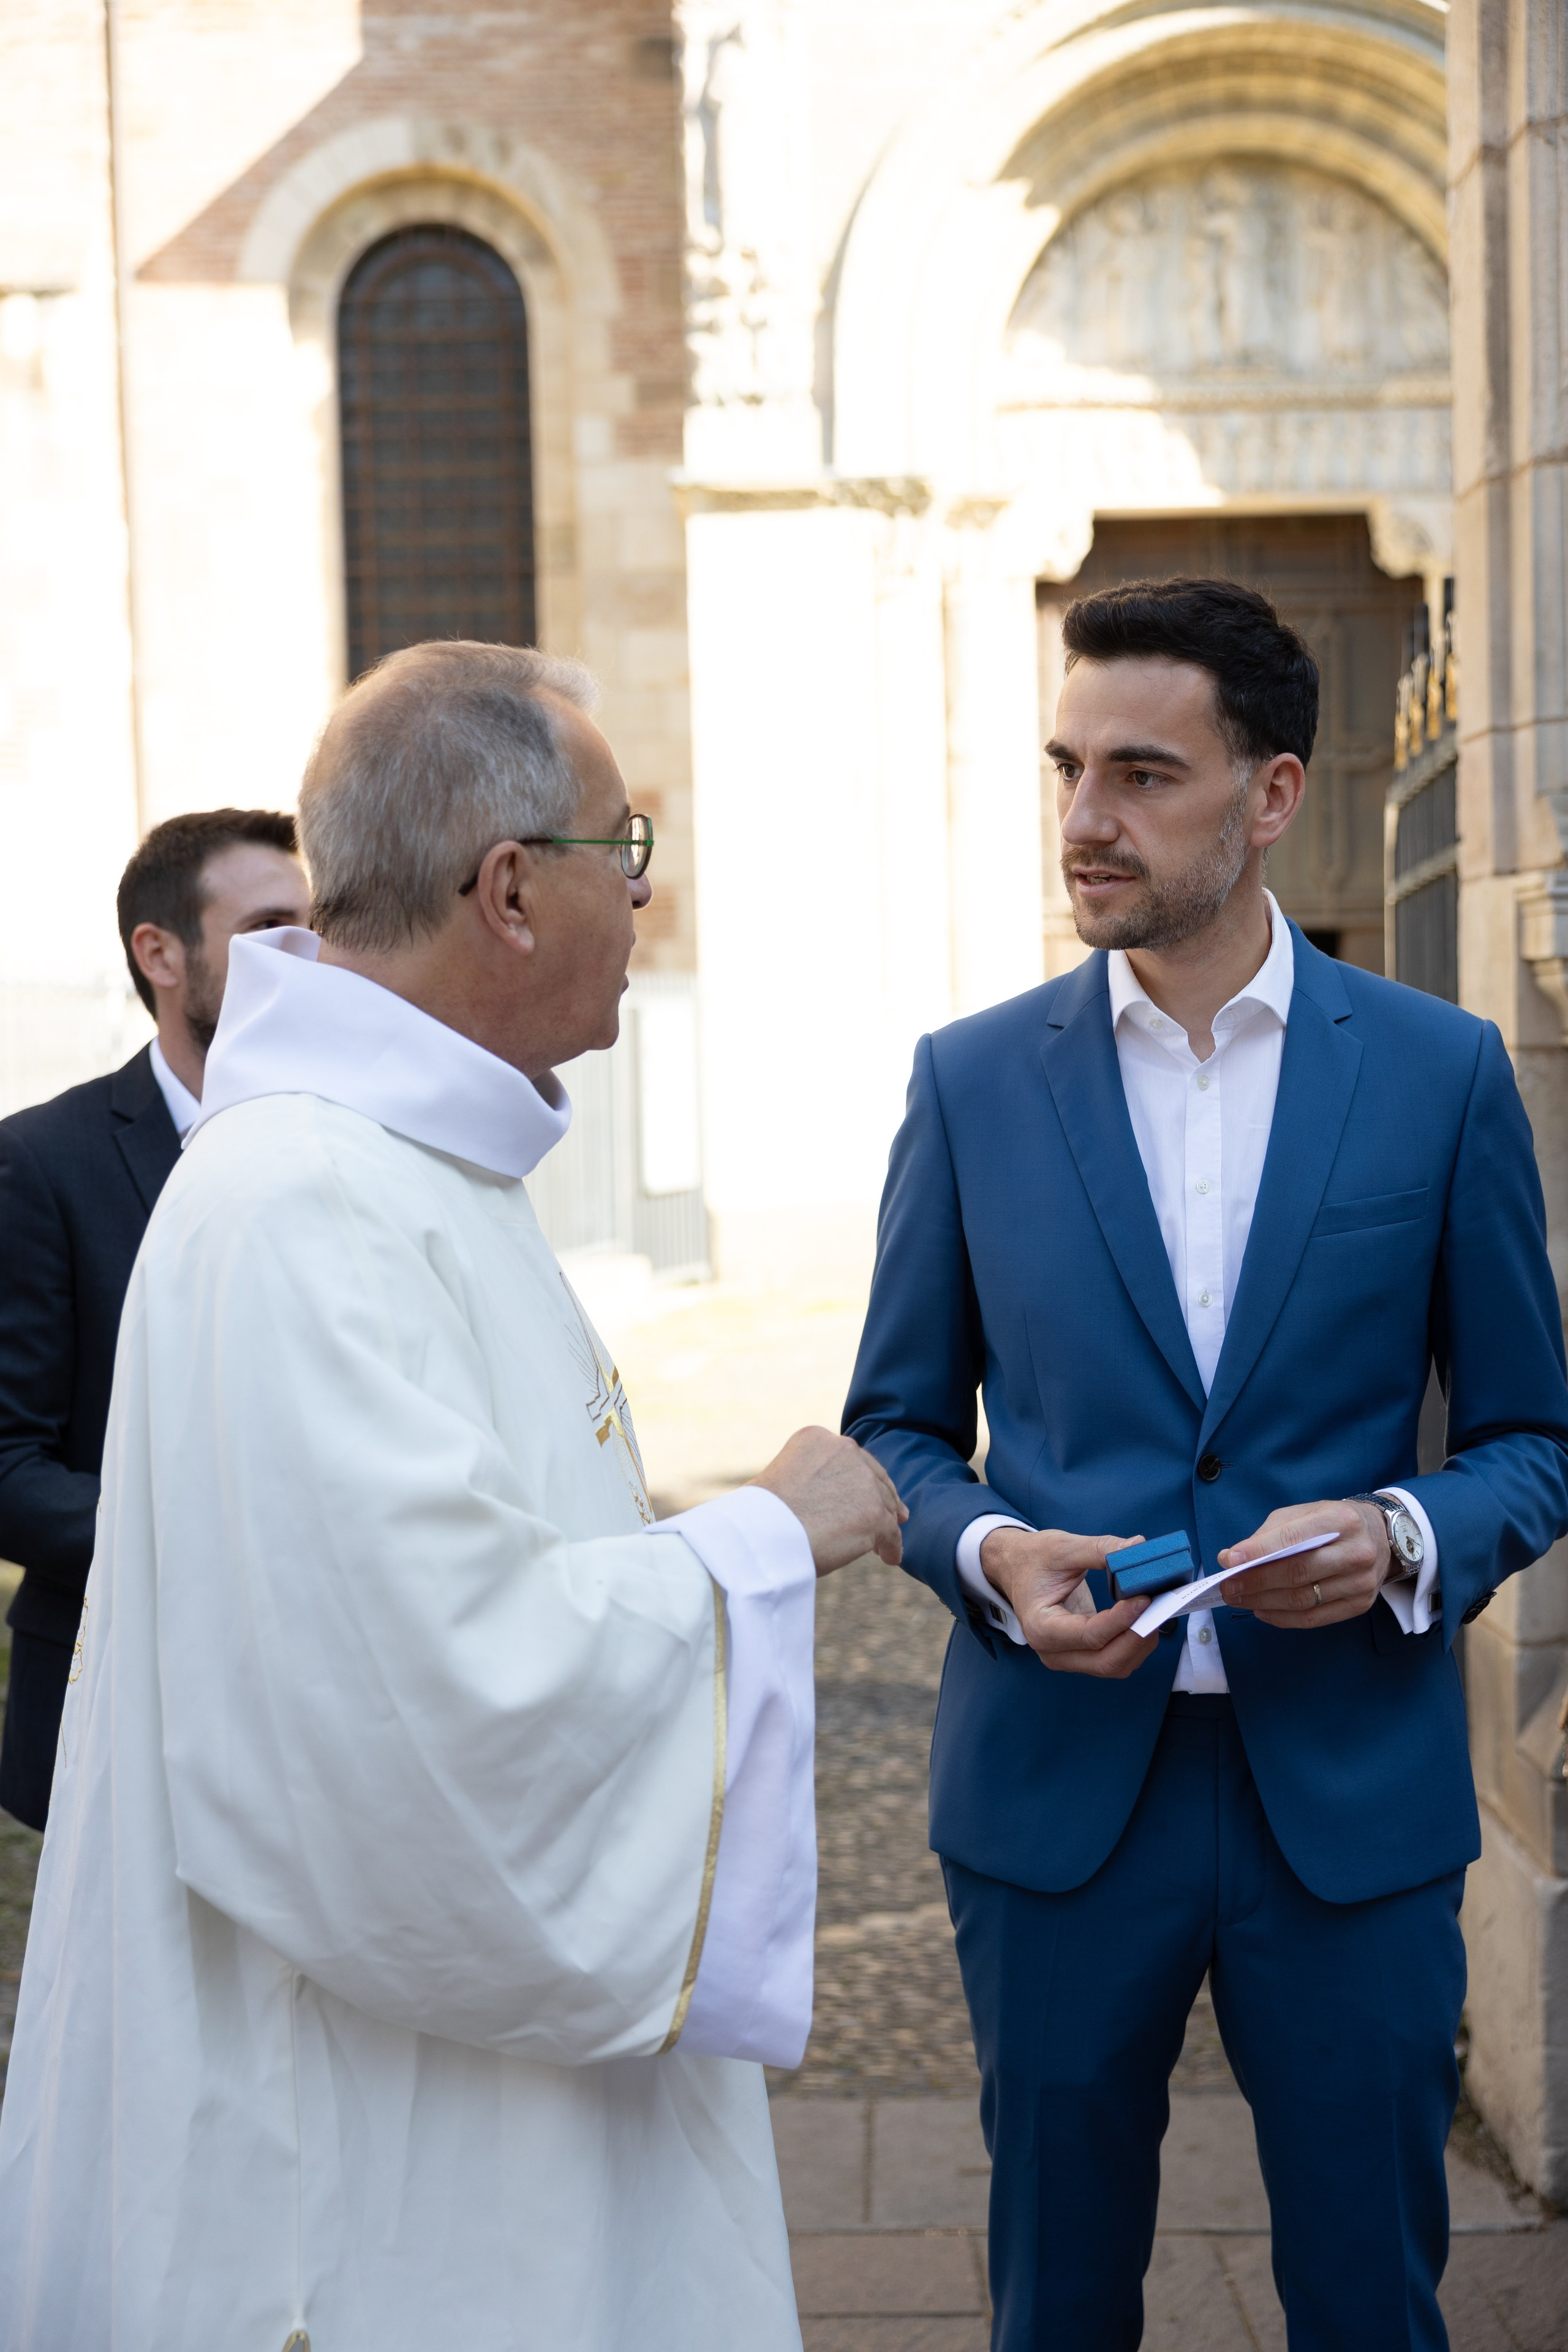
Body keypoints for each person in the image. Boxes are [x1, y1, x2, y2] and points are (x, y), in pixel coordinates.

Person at [0, 641, 905, 2352]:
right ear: (509, 889)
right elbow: (423, 1690)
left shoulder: (392, 1163)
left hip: (480, 2117)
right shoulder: (301, 1203)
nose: (649, 893)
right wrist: (761, 1538)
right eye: (621, 848)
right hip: (361, 2175)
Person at [843, 577, 1568, 2351]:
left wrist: (1405, 1529)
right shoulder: (970, 1083)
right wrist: (994, 1553)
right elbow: (899, 1431)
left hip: (1351, 1801)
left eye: (1143, 775)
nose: (1086, 821)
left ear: (1272, 796)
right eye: (1068, 768)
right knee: (1058, 2298)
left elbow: (1534, 1441)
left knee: (1366, 2299)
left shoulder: (1440, 1074)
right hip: (1059, 1798)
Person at [0, 808, 308, 1829]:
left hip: (317, 1711)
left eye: (316, 925)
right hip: (118, 1709)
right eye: (270, 927)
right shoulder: (43, 1164)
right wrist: (215, 1541)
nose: (305, 957)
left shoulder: (340, 1148)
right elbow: (7, 1466)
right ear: (160, 953)